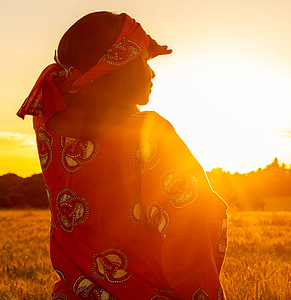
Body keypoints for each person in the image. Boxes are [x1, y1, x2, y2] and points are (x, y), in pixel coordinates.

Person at [16, 11, 228, 300]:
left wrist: (138, 50)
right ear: (119, 66)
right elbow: (196, 219)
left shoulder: (45, 125)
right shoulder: (150, 135)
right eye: (142, 61)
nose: (152, 72)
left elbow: (90, 77)